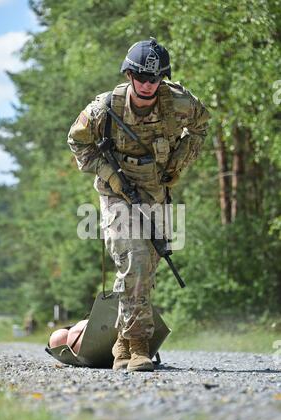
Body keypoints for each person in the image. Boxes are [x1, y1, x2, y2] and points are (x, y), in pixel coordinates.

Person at [67, 38, 210, 372]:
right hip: (116, 194)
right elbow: (77, 141)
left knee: (144, 272)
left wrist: (179, 163)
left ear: (163, 77)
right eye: (141, 77)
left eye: (155, 78)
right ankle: (138, 345)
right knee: (136, 258)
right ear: (129, 75)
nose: (148, 84)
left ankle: (120, 343)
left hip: (155, 192)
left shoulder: (178, 102)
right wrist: (113, 179)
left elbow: (201, 125)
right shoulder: (105, 108)